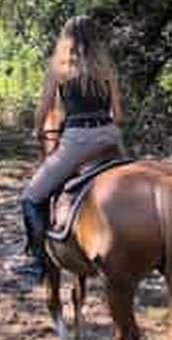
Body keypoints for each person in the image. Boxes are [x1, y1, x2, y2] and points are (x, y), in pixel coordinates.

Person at [16, 15, 125, 283]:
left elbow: (43, 111)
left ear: (67, 39)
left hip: (78, 140)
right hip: (111, 139)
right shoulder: (106, 68)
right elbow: (118, 115)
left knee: (31, 197)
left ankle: (38, 262)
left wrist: (37, 130)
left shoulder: (60, 68)